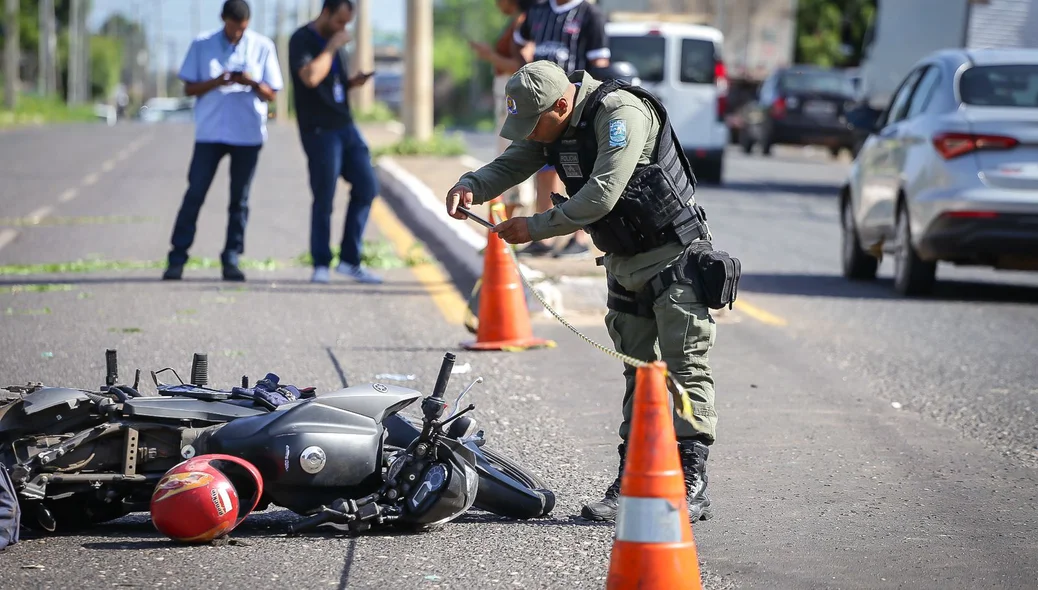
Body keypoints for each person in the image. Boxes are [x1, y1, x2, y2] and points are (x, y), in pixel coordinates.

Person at [446, 61, 741, 523]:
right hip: (623, 266)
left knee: (685, 369)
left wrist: (534, 227)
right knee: (638, 377)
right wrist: (471, 186)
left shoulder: (620, 113)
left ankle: (690, 481)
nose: (532, 135)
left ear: (562, 104)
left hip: (674, 261)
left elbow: (601, 196)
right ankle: (632, 479)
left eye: (535, 123)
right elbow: (516, 160)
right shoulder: (556, 126)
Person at [163, 0, 282, 282]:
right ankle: (177, 257)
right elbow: (190, 87)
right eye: (233, 28)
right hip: (211, 133)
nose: (238, 34)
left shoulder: (262, 46)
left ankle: (231, 258)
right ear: (223, 20)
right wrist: (218, 81)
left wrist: (251, 82)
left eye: (242, 29)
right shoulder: (202, 44)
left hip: (247, 134)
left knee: (239, 201)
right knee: (195, 194)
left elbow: (272, 93)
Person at [288, 0, 382, 284]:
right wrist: (332, 46)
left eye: (346, 23)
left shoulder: (334, 42)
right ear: (326, 13)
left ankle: (350, 260)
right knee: (325, 196)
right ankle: (320, 262)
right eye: (340, 21)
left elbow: (333, 83)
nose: (343, 29)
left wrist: (353, 82)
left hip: (345, 127)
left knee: (367, 186)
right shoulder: (302, 39)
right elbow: (311, 78)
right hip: (320, 131)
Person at [511, 0, 611, 259]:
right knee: (543, 170)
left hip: (575, 108)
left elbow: (599, 66)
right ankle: (542, 239)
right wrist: (524, 58)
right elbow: (518, 40)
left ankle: (580, 238)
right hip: (541, 109)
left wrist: (592, 107)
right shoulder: (538, 10)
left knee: (580, 172)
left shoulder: (590, 15)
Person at [468, 0, 537, 220]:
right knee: (505, 151)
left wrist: (489, 55)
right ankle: (509, 218)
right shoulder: (516, 22)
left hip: (514, 95)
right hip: (506, 94)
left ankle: (514, 218)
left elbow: (521, 65)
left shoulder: (524, 23)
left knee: (512, 152)